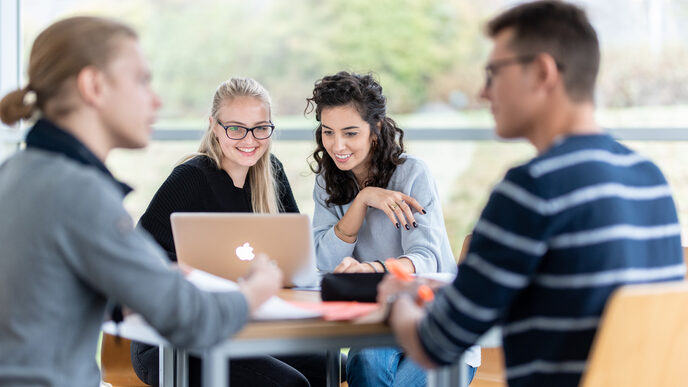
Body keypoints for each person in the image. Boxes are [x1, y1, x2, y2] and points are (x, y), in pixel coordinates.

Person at [379, 2, 686, 387]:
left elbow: (437, 344)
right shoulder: (650, 179)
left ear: (542, 71)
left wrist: (397, 299)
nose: (483, 92)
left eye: (494, 73)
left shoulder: (532, 189)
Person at [0, 17, 282, 387]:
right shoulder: (80, 192)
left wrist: (148, 279)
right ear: (94, 86)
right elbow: (194, 320)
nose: (156, 99)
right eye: (142, 81)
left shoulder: (17, 171)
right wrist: (256, 289)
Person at [130, 77, 333, 387]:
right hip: (172, 342)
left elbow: (296, 258)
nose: (249, 139)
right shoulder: (190, 178)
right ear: (214, 125)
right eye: (236, 128)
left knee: (333, 367)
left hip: (246, 331)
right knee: (289, 384)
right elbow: (140, 262)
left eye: (260, 127)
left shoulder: (271, 172)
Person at [307, 71, 478, 387]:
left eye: (350, 133)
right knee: (365, 359)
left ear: (376, 129)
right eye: (328, 132)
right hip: (376, 328)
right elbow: (326, 262)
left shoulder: (412, 174)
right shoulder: (327, 182)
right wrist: (362, 201)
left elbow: (425, 258)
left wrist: (371, 270)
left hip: (436, 329)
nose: (337, 145)